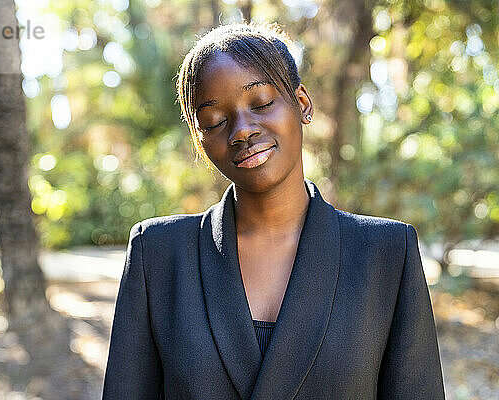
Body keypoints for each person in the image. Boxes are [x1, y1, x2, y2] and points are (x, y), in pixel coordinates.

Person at [102, 21, 445, 400]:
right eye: (214, 120)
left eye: (261, 103)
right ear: (200, 140)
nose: (241, 130)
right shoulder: (159, 254)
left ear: (301, 104)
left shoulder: (386, 252)